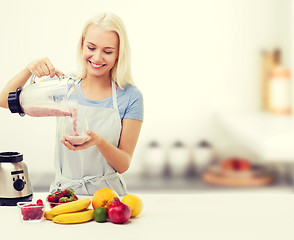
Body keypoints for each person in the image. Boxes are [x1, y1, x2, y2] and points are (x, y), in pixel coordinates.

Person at [0, 12, 143, 196]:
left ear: (118, 54)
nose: (97, 57)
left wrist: (98, 142)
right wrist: (29, 69)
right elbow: (4, 100)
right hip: (64, 196)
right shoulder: (64, 87)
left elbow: (123, 164)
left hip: (108, 199)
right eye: (91, 47)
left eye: (108, 51)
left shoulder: (130, 96)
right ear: (82, 45)